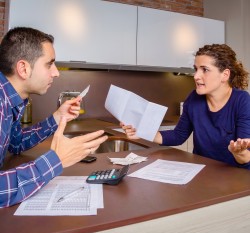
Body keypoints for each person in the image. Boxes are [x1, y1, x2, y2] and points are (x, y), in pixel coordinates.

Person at [0, 27, 108, 208]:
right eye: (49, 64)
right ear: (23, 68)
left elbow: (16, 143)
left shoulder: (10, 100)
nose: (56, 73)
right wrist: (55, 160)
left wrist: (57, 117)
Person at [121, 44, 250, 169]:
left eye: (204, 70)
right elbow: (178, 135)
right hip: (203, 172)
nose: (196, 76)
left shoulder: (242, 101)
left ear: (225, 75)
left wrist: (239, 152)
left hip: (235, 177)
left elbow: (245, 157)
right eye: (196, 69)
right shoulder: (194, 98)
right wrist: (143, 132)